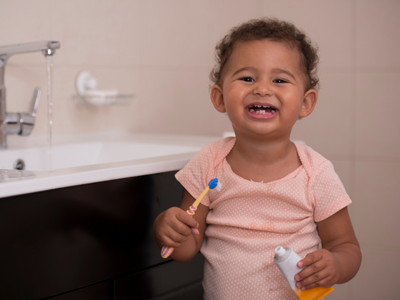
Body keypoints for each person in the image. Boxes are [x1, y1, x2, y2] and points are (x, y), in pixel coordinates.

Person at [153, 18, 361, 299]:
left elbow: (347, 246)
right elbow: (186, 249)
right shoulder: (210, 161)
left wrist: (335, 264)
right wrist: (167, 229)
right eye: (247, 78)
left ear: (305, 103)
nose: (262, 88)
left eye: (279, 80)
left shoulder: (317, 173)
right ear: (220, 98)